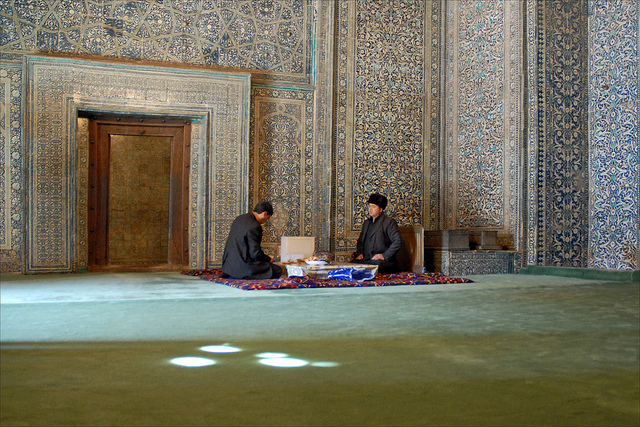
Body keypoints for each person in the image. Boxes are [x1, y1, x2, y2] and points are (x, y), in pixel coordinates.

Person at [221, 201, 283, 279]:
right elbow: (255, 254)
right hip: (242, 266)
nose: (266, 221)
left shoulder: (239, 218)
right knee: (277, 270)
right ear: (264, 213)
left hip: (228, 266)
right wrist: (268, 259)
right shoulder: (255, 226)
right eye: (267, 218)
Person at [353, 193, 402, 274]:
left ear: (380, 209)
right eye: (369, 206)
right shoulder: (366, 223)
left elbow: (397, 241)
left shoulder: (389, 222)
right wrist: (360, 253)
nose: (370, 209)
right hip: (366, 260)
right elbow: (360, 241)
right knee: (350, 266)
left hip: (382, 262)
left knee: (369, 267)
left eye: (373, 206)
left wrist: (384, 255)